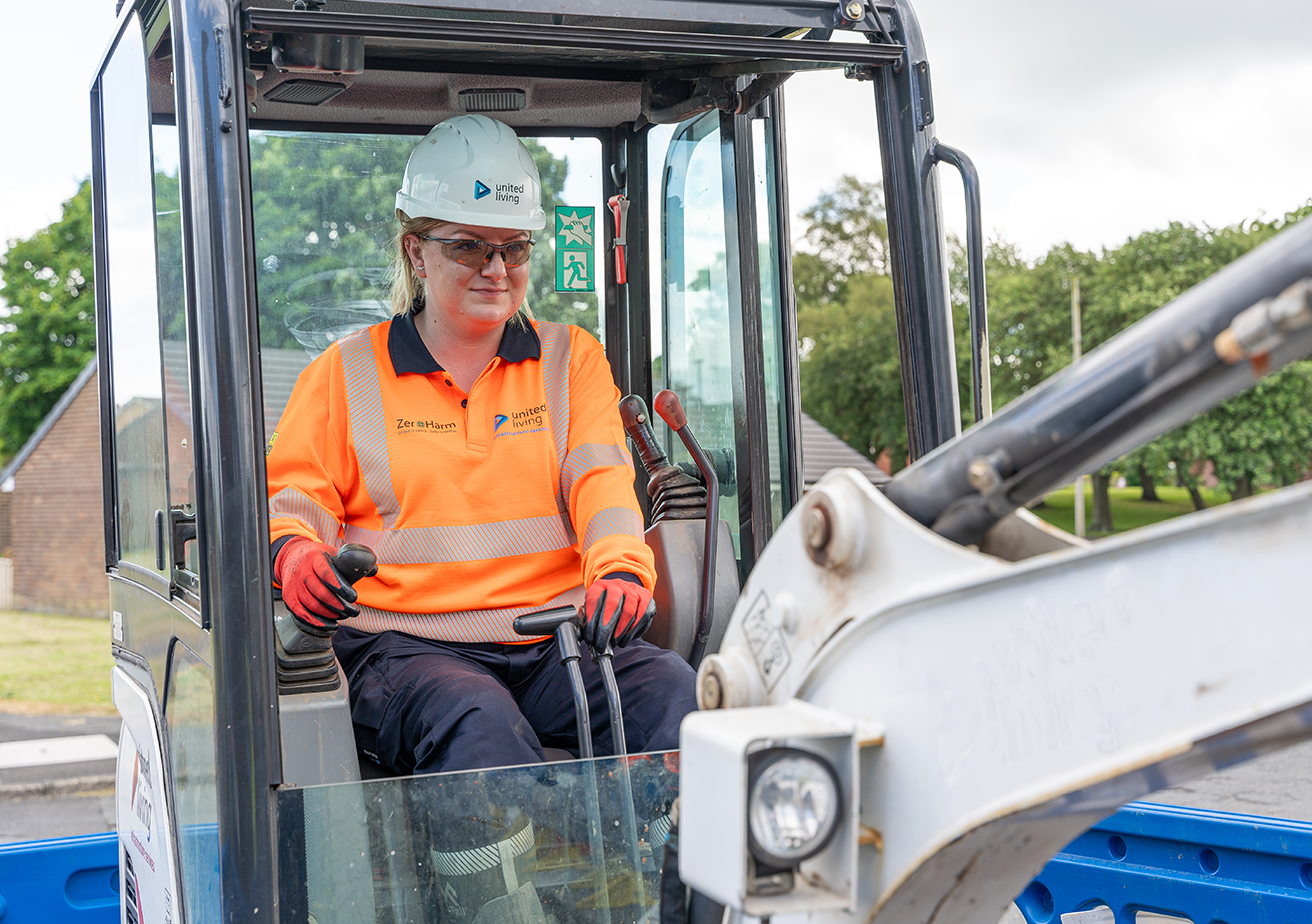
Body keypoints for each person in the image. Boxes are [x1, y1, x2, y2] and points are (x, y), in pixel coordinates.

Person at [266, 113, 698, 778]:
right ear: (417, 251)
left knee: (675, 695)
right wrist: (295, 555)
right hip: (405, 646)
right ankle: (497, 885)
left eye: (514, 248)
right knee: (478, 725)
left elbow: (603, 485)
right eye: (470, 247)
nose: (497, 269)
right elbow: (293, 497)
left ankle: (670, 877)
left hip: (554, 638)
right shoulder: (344, 374)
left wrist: (618, 570)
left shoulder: (569, 359)